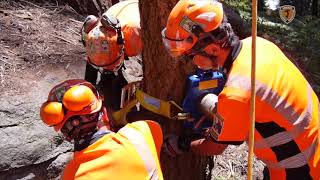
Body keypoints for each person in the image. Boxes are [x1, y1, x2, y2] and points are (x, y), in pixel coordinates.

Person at [161, 0, 320, 179]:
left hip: (300, 171)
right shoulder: (259, 44)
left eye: (190, 56)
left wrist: (183, 144)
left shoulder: (237, 92)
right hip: (312, 150)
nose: (191, 62)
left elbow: (214, 147)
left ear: (212, 49)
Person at [40, 79, 163, 180]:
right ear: (103, 112)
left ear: (65, 133)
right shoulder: (140, 134)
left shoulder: (69, 175)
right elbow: (156, 128)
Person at [81, 0, 143, 118]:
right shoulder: (94, 36)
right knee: (102, 75)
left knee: (115, 79)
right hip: (117, 14)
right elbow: (91, 65)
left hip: (132, 10)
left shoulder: (137, 39)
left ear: (122, 49)